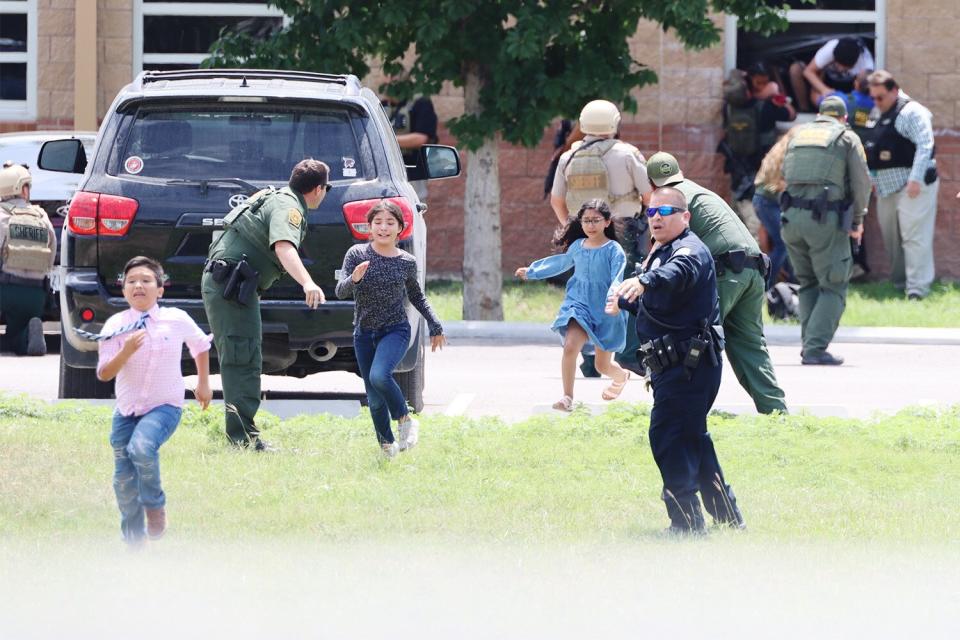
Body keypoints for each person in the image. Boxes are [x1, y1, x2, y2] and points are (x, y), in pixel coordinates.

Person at [606, 187, 744, 534]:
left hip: (691, 366)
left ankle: (686, 523)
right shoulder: (661, 252)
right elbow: (660, 307)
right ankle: (728, 518)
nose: (656, 218)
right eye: (651, 212)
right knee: (692, 439)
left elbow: (676, 274)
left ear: (685, 217)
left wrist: (643, 280)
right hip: (674, 366)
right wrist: (625, 299)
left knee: (667, 435)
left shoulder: (689, 250)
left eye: (665, 211)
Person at [646, 152, 788, 415]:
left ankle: (685, 408)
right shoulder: (698, 191)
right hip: (754, 268)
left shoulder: (669, 202)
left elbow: (660, 251)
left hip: (725, 271)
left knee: (695, 337)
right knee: (749, 344)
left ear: (652, 183)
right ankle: (776, 412)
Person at [201, 159, 329, 450]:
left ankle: (241, 432)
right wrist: (307, 282)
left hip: (231, 284)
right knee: (242, 358)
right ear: (319, 189)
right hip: (230, 286)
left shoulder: (272, 195)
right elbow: (283, 246)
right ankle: (242, 438)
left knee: (242, 354)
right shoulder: (289, 207)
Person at [90, 256, 213, 546]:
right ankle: (134, 541)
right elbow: (105, 373)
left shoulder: (177, 318)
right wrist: (127, 349)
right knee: (123, 480)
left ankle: (155, 506)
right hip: (126, 411)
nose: (138, 286)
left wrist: (203, 385)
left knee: (142, 447)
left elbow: (201, 346)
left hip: (165, 406)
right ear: (123, 290)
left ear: (160, 289)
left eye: (146, 280)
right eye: (131, 281)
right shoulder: (116, 324)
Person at [336, 200, 446, 458]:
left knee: (379, 376)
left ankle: (405, 419)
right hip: (363, 333)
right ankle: (388, 448)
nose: (383, 228)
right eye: (378, 223)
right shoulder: (356, 254)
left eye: (389, 223)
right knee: (373, 398)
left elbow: (417, 297)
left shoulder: (406, 262)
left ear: (401, 229)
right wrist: (354, 279)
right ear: (369, 227)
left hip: (395, 330)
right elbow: (340, 291)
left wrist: (435, 323)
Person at [550, 99, 652, 375]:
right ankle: (628, 354)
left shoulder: (568, 157)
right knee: (627, 292)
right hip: (625, 233)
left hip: (585, 236)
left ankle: (590, 360)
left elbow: (557, 200)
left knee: (588, 295)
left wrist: (577, 230)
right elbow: (648, 196)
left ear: (583, 125)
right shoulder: (627, 154)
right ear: (614, 123)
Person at [780, 96, 872, 365]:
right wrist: (857, 220)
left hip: (790, 218)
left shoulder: (799, 134)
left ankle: (809, 342)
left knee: (808, 283)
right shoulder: (846, 137)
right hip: (824, 221)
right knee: (833, 285)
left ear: (819, 114)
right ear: (843, 118)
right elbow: (861, 183)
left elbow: (785, 173)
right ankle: (815, 349)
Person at [515, 199, 630, 412]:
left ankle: (620, 376)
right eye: (586, 220)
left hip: (606, 309)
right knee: (570, 347)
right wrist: (533, 271)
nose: (590, 225)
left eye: (596, 220)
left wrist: (614, 299)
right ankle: (567, 398)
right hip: (579, 304)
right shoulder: (578, 246)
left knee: (601, 365)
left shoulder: (614, 250)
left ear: (607, 222)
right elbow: (560, 263)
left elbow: (618, 278)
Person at [864, 70, 939, 300]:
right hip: (886, 187)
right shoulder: (877, 113)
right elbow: (871, 149)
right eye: (873, 97)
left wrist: (915, 179)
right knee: (892, 237)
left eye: (881, 97)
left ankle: (917, 289)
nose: (877, 102)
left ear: (894, 91)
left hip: (912, 184)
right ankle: (899, 284)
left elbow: (925, 145)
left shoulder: (911, 112)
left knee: (914, 237)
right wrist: (871, 180)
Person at [718, 66, 796, 240]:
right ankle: (761, 264)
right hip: (760, 175)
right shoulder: (765, 107)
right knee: (758, 228)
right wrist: (776, 96)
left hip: (738, 176)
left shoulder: (728, 109)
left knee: (738, 225)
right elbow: (791, 115)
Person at [0, 161, 56, 357]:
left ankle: (18, 335)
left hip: (7, 290)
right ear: (23, 190)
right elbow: (51, 254)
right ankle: (28, 330)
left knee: (10, 335)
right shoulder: (42, 216)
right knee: (19, 331)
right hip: (36, 293)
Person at [752, 128, 799, 289]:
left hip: (764, 201)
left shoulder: (778, 151)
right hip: (768, 202)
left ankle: (789, 284)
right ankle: (765, 286)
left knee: (787, 243)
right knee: (784, 244)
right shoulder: (790, 155)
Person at [383, 83, 438, 201]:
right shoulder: (384, 105)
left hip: (413, 169)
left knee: (413, 206)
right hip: (386, 169)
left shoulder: (421, 103)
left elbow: (421, 138)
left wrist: (384, 139)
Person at [790, 37, 875, 112]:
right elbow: (808, 72)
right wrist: (824, 89)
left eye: (846, 68)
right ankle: (804, 110)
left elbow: (814, 98)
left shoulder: (866, 64)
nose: (841, 70)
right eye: (839, 65)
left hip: (847, 90)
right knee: (796, 69)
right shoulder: (829, 49)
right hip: (827, 81)